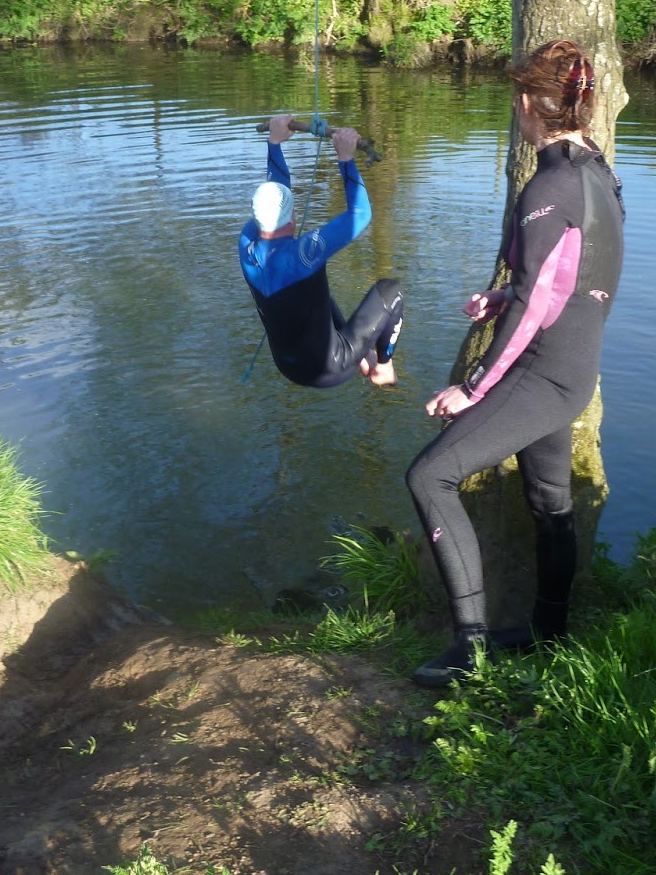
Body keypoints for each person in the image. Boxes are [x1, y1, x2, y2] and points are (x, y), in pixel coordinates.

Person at [405, 40, 625, 688]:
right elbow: (575, 281)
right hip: (574, 369)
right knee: (549, 500)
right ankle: (549, 634)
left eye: (517, 101)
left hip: (542, 370)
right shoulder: (599, 173)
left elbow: (535, 301)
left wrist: (472, 387)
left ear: (529, 104)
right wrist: (502, 296)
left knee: (430, 476)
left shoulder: (549, 184)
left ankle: (469, 648)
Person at [240, 113, 403, 389]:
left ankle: (361, 358)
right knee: (392, 290)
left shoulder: (246, 244)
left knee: (315, 295)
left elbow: (276, 192)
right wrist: (346, 159)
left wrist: (275, 142)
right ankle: (382, 367)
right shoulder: (304, 255)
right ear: (292, 220)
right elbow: (360, 215)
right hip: (331, 368)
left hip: (288, 365)